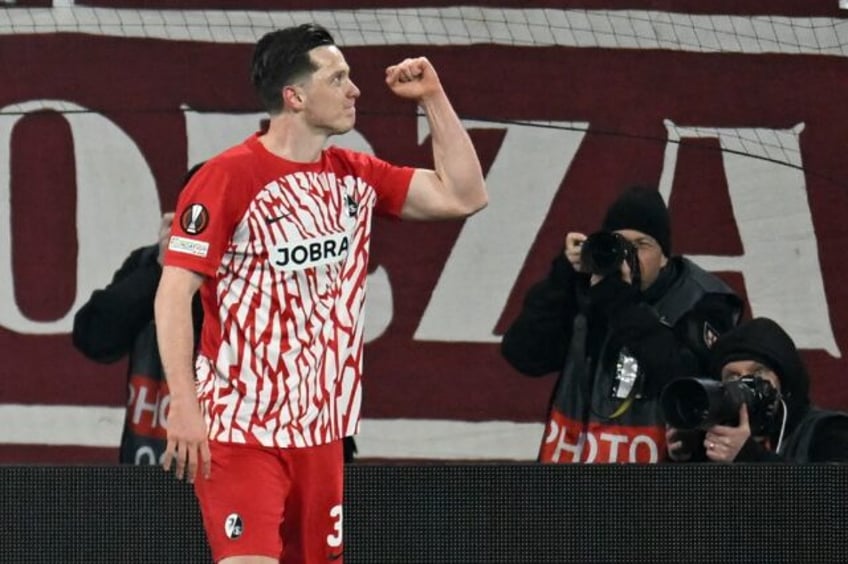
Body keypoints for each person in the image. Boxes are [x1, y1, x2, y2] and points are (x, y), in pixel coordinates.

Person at [153, 23, 487, 563]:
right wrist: (184, 407)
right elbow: (172, 296)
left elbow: (465, 195)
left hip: (322, 434)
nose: (355, 89)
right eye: (339, 78)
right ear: (296, 96)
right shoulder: (228, 177)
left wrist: (433, 97)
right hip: (240, 430)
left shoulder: (354, 176)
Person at [501, 185, 743, 463]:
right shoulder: (587, 290)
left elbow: (688, 381)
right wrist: (561, 280)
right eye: (619, 243)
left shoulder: (703, 300)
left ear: (665, 256)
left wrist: (622, 303)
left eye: (640, 245)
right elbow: (523, 356)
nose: (628, 255)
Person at [72, 165, 205, 465]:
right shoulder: (149, 264)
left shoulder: (266, 277)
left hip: (235, 477)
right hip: (151, 473)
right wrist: (163, 270)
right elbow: (93, 338)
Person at [666, 317, 848, 463]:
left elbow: (833, 501)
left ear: (784, 380)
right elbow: (681, 507)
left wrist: (751, 458)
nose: (744, 383)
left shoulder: (829, 431)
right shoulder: (714, 442)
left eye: (758, 372)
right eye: (732, 376)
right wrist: (688, 459)